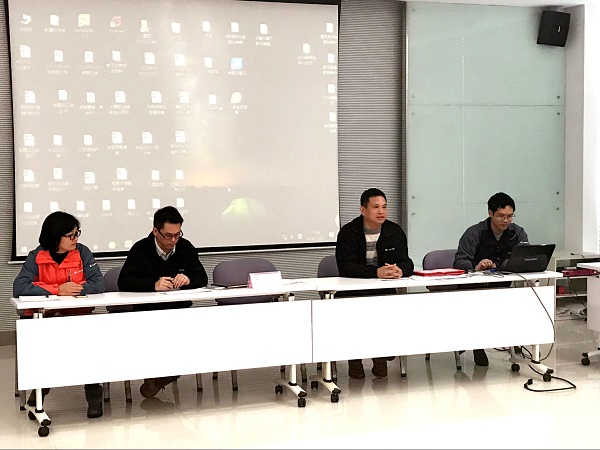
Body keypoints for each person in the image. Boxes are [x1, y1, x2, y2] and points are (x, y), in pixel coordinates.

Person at [13, 211, 106, 419]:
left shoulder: (82, 253)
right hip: (46, 319)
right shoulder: (37, 256)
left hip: (77, 317)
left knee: (89, 346)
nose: (75, 239)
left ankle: (93, 393)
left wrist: (74, 289)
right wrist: (57, 290)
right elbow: (19, 287)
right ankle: (39, 393)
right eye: (70, 235)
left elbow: (98, 284)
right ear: (56, 237)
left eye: (77, 233)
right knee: (47, 347)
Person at [118, 205, 208, 398]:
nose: (173, 240)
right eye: (168, 236)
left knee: (195, 342)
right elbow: (124, 282)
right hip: (148, 314)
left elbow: (202, 277)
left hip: (179, 312)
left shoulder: (186, 247)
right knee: (159, 343)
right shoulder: (141, 249)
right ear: (155, 231)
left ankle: (161, 378)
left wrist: (188, 280)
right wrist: (153, 285)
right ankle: (158, 376)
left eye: (177, 235)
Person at [335, 188, 414, 379]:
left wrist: (400, 270)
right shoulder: (348, 232)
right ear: (363, 210)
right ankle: (355, 358)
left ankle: (380, 356)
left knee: (389, 310)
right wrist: (376, 272)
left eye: (384, 207)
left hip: (382, 290)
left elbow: (407, 262)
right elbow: (346, 267)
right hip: (353, 290)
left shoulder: (394, 231)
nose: (381, 212)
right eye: (376, 207)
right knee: (354, 316)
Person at [453, 192, 529, 367]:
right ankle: (477, 345)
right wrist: (476, 266)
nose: (506, 220)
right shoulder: (474, 233)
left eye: (510, 216)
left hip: (502, 286)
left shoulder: (517, 232)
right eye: (501, 216)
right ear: (490, 213)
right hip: (473, 288)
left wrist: (501, 265)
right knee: (478, 309)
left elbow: (524, 256)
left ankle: (517, 339)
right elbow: (459, 261)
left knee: (521, 303)